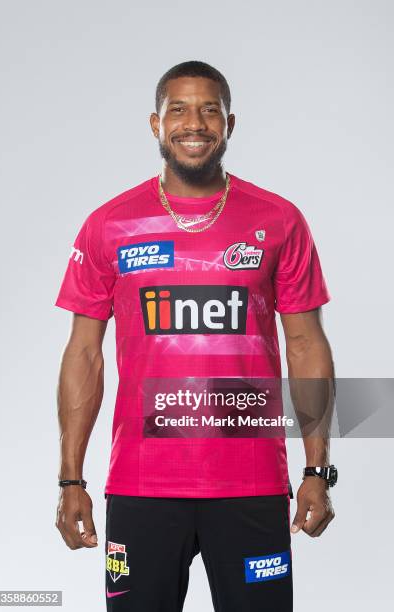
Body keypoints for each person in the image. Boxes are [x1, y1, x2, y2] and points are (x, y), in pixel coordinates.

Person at [54, 60, 336, 612]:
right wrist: (70, 479)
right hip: (142, 487)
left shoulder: (279, 220)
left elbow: (305, 346)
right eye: (178, 109)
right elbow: (83, 354)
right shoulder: (108, 225)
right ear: (155, 125)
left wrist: (316, 468)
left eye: (209, 110)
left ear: (230, 123)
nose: (195, 123)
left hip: (251, 486)